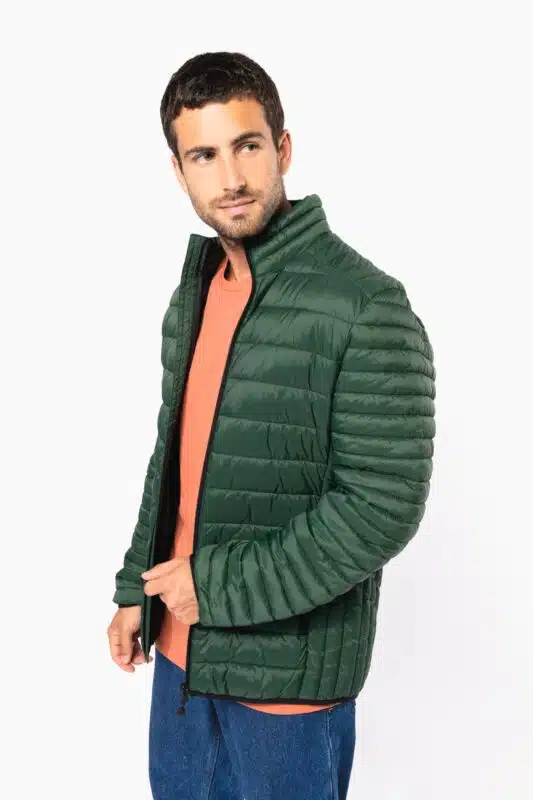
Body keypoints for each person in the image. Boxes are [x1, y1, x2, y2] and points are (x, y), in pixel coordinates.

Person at [107, 50, 436, 799]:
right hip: (180, 661)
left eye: (247, 146)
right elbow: (174, 457)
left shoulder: (364, 305)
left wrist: (213, 587)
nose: (230, 178)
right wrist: (136, 588)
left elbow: (382, 508)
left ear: (282, 149)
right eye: (204, 156)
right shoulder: (197, 290)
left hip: (285, 688)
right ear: (179, 171)